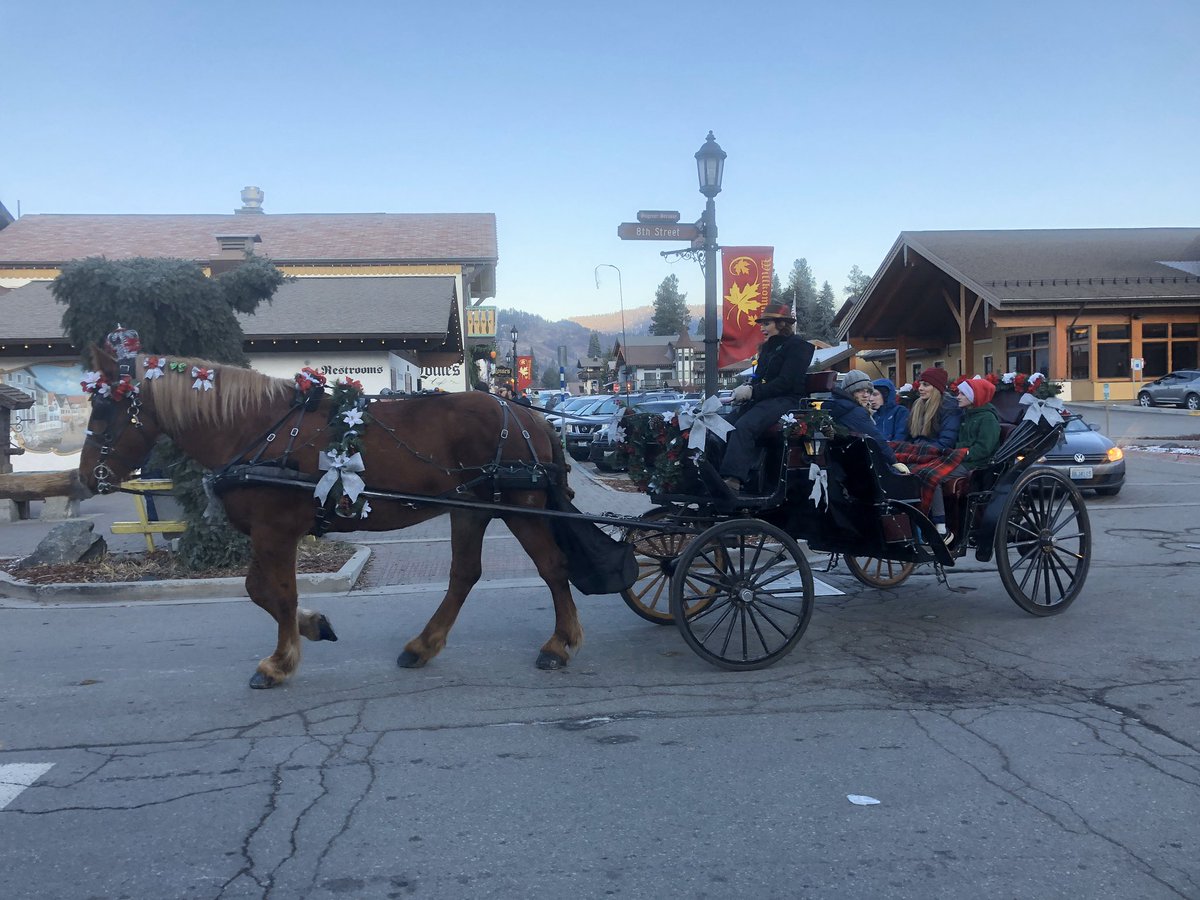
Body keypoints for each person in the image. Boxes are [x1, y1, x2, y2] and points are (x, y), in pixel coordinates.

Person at [718, 301, 815, 492]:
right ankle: (716, 473)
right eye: (762, 324)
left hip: (787, 399)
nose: (761, 328)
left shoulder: (799, 347)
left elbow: (786, 382)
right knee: (723, 426)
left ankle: (733, 480)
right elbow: (760, 377)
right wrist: (747, 388)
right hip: (766, 399)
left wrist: (754, 392)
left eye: (766, 323)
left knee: (744, 427)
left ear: (781, 324)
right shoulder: (768, 348)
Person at [829, 370, 906, 471]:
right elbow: (877, 439)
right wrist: (894, 462)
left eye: (868, 391)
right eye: (859, 390)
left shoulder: (840, 406)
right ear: (850, 391)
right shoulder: (855, 411)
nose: (866, 395)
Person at [904, 366, 961, 449]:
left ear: (936, 388)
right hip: (918, 450)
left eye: (925, 385)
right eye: (920, 384)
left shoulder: (949, 408)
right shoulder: (917, 405)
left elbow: (947, 442)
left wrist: (920, 450)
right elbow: (909, 437)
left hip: (937, 453)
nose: (920, 388)